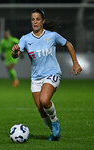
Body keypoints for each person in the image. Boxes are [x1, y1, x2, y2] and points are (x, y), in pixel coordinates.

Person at [12, 9, 82, 141]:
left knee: (44, 100)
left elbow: (68, 44)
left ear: (43, 21)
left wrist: (75, 63)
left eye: (38, 19)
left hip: (52, 73)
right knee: (40, 109)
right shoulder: (25, 39)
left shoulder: (52, 35)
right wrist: (15, 51)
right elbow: (15, 55)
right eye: (33, 19)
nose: (35, 22)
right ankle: (54, 133)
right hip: (36, 78)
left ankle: (55, 122)